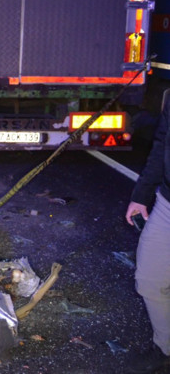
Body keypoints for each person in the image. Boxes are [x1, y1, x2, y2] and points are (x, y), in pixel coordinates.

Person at [125, 89, 170, 373]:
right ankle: (165, 349)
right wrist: (141, 195)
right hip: (167, 203)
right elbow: (162, 142)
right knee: (150, 280)